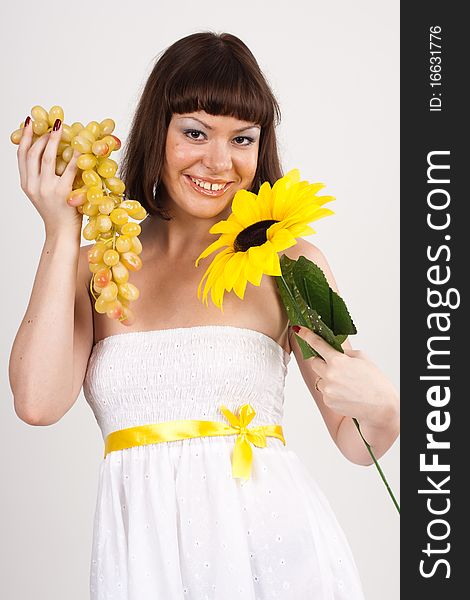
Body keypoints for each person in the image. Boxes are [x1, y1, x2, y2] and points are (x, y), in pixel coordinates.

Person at [10, 31, 399, 599]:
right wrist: (60, 230)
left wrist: (387, 404)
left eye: (242, 138)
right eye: (195, 132)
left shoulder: (284, 263)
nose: (219, 162)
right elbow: (37, 403)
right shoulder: (99, 266)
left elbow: (355, 441)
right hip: (142, 568)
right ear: (157, 133)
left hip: (279, 563)